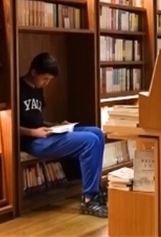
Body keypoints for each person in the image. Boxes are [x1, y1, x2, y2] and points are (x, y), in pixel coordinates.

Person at [19, 52, 108, 217]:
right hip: (32, 141)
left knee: (97, 133)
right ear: (33, 72)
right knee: (89, 141)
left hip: (44, 134)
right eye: (45, 79)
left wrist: (56, 125)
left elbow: (37, 120)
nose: (46, 83)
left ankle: (96, 189)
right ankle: (89, 199)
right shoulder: (17, 89)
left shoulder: (38, 89)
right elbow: (11, 126)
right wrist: (32, 132)